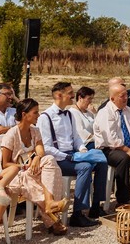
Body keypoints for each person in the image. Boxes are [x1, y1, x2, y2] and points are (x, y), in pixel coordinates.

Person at [37, 81, 107, 228]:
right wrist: (69, 157)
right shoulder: (45, 117)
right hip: (58, 159)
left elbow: (76, 138)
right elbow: (47, 147)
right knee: (85, 167)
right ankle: (77, 214)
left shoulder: (69, 114)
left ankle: (96, 206)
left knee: (101, 161)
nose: (72, 96)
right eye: (69, 93)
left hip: (73, 154)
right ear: (58, 95)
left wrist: (83, 150)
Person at [0, 99, 68, 235]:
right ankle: (53, 218)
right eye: (35, 112)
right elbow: (5, 164)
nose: (38, 115)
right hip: (15, 173)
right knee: (40, 181)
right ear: (24, 115)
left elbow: (40, 150)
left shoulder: (35, 130)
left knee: (49, 159)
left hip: (33, 170)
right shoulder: (12, 134)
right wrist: (23, 166)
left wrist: (36, 157)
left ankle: (49, 203)